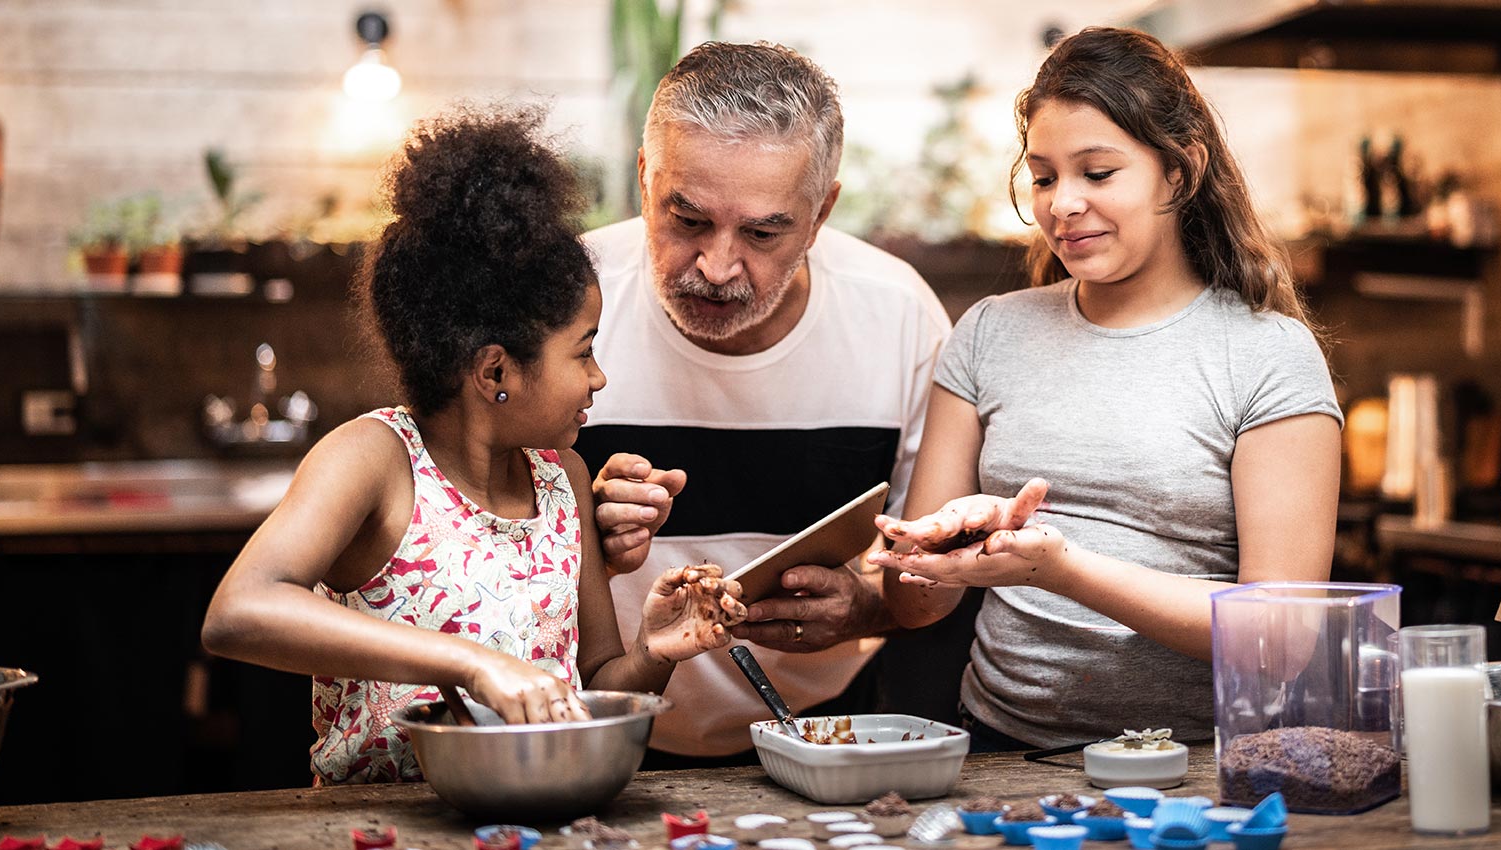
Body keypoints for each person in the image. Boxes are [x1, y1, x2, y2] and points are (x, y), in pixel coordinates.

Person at [200, 105, 747, 785]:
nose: (598, 378)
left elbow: (595, 677)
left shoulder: (563, 478)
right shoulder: (375, 461)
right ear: (495, 372)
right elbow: (237, 611)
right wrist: (469, 660)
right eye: (583, 353)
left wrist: (656, 650)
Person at [871, 27, 1344, 750]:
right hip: (1001, 753)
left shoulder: (1267, 355)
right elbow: (914, 609)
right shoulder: (989, 334)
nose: (1061, 203)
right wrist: (934, 550)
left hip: (1200, 767)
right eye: (1043, 176)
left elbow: (1279, 639)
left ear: (1179, 173)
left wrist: (1062, 569)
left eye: (1096, 173)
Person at [575, 42, 953, 765]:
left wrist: (865, 605)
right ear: (644, 177)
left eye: (762, 232)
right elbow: (458, 544)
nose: (717, 268)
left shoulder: (897, 315)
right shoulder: (564, 298)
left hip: (827, 729)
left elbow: (933, 572)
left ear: (820, 213)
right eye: (686, 221)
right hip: (581, 729)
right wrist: (578, 529)